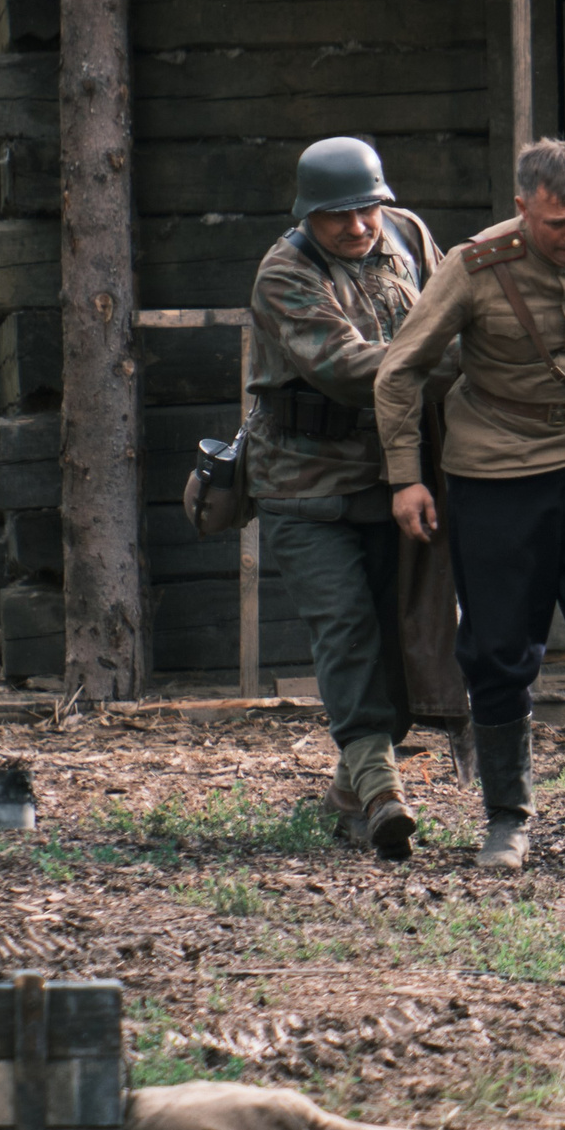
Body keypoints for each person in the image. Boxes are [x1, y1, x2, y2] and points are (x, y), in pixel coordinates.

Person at [373, 137, 565, 873]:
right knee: (499, 646)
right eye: (557, 224)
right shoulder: (475, 266)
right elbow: (399, 370)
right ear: (522, 211)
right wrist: (405, 476)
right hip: (496, 473)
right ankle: (508, 820)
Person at [243, 137, 448, 861]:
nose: (359, 226)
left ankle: (346, 790)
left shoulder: (410, 233)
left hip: (395, 477)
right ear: (308, 214)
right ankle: (383, 792)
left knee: (395, 639)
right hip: (304, 486)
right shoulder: (284, 273)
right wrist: (455, 361)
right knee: (346, 631)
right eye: (339, 216)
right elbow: (350, 366)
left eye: (368, 208)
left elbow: (454, 301)